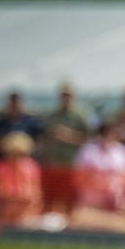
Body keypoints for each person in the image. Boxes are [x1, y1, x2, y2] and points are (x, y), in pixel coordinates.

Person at [39, 83, 91, 215]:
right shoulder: (52, 115)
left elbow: (88, 140)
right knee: (49, 199)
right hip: (51, 165)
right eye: (63, 95)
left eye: (68, 95)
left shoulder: (80, 116)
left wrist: (69, 136)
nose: (65, 98)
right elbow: (44, 137)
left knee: (69, 201)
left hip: (71, 166)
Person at [73, 122, 125, 214]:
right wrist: (97, 183)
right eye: (105, 134)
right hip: (91, 201)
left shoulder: (121, 151)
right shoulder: (88, 150)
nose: (108, 138)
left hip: (116, 202)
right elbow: (78, 175)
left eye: (111, 134)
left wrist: (113, 186)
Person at [0, 131, 43, 226]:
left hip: (27, 214)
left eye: (21, 154)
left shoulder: (31, 167)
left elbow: (34, 194)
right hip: (6, 214)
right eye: (14, 154)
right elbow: (3, 194)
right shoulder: (2, 169)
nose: (17, 158)